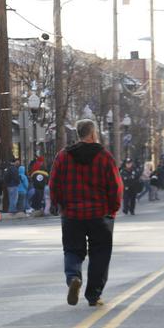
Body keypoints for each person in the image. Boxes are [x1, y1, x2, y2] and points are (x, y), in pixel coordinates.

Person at [49, 119, 122, 307]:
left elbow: (54, 183)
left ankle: (74, 277)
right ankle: (93, 295)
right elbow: (115, 185)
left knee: (73, 249)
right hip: (99, 214)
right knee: (100, 253)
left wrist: (58, 204)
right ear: (92, 134)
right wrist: (113, 208)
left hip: (72, 214)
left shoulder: (63, 156)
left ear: (78, 134)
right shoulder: (104, 157)